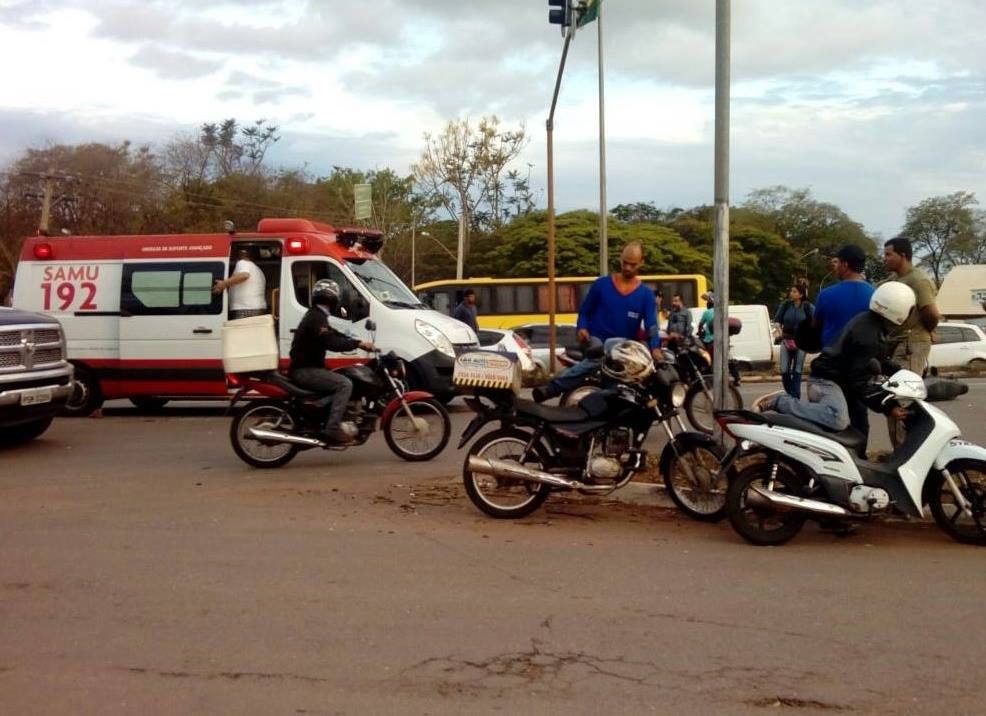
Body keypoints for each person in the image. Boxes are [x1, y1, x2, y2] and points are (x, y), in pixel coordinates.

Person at [756, 282, 915, 454]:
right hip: (826, 381)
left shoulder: (870, 323)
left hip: (837, 380)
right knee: (837, 418)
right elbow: (859, 380)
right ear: (900, 310)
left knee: (856, 430)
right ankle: (781, 402)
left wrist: (905, 375)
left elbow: (881, 362)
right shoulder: (869, 335)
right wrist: (888, 407)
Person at [532, 242, 661, 402]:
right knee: (602, 355)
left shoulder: (646, 295)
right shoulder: (602, 284)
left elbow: (652, 325)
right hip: (595, 341)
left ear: (642, 263)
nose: (627, 268)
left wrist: (656, 348)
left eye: (632, 264)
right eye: (625, 263)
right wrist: (582, 327)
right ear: (620, 259)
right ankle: (552, 387)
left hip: (622, 350)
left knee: (619, 392)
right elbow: (585, 311)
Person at [288, 279, 374, 444]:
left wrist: (358, 342)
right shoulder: (316, 317)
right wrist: (357, 344)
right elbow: (331, 342)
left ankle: (324, 415)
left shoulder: (317, 315)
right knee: (345, 384)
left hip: (307, 368)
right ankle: (332, 428)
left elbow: (333, 334)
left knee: (339, 378)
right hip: (305, 371)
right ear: (333, 299)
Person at [812, 244, 876, 439]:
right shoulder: (874, 294)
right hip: (862, 365)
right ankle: (860, 457)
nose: (836, 266)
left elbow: (815, 325)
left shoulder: (827, 295)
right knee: (858, 415)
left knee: (828, 419)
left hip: (831, 366)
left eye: (838, 262)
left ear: (845, 265)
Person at [882, 236, 940, 447]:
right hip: (896, 344)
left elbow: (932, 313)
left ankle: (907, 453)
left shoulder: (919, 280)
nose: (885, 259)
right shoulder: (894, 281)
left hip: (911, 344)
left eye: (889, 254)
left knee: (902, 399)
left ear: (903, 255)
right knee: (892, 399)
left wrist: (927, 329)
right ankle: (900, 451)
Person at [772, 280, 813, 399]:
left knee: (797, 370)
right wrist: (780, 334)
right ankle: (791, 393)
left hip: (801, 342)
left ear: (801, 294)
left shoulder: (807, 306)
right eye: (791, 291)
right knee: (784, 370)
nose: (791, 293)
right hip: (786, 340)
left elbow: (815, 322)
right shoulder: (786, 305)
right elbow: (777, 321)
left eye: (794, 291)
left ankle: (795, 398)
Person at [213, 247, 268, 319]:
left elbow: (244, 275)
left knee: (242, 330)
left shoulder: (242, 263)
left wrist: (223, 284)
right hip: (253, 308)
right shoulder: (256, 268)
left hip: (246, 309)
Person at [697, 292, 715, 358]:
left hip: (709, 340)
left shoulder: (707, 312)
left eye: (708, 301)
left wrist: (700, 334)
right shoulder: (720, 311)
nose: (707, 303)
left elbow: (700, 325)